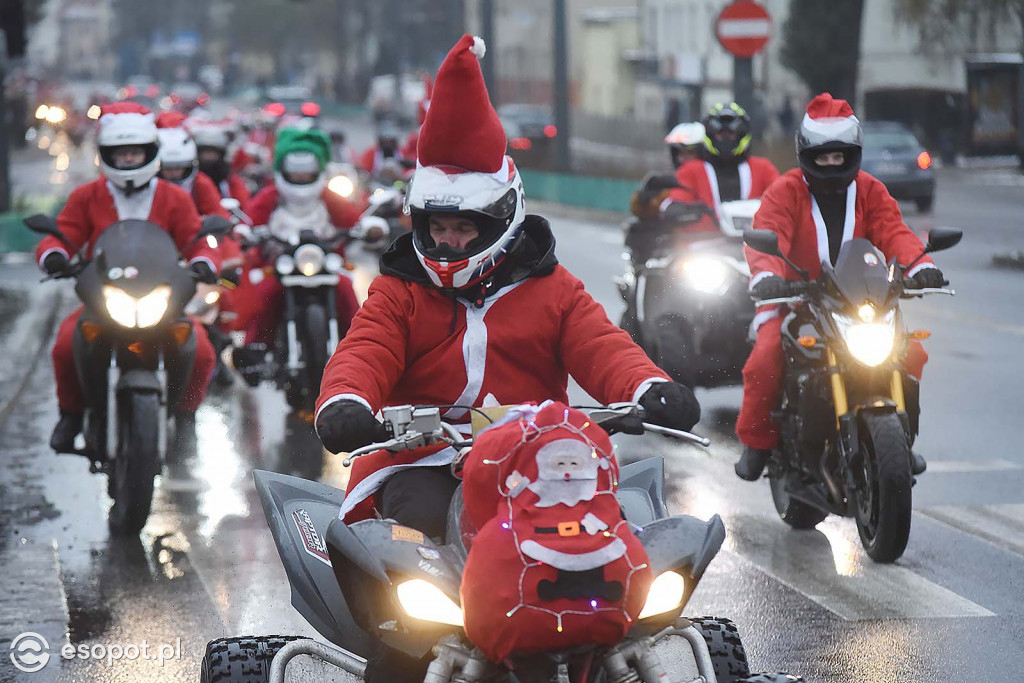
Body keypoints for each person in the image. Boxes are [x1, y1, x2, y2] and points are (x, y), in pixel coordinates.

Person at [314, 34, 701, 681]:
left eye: (463, 226)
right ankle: (406, 664)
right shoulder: (399, 291)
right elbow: (363, 351)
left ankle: (608, 653)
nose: (447, 238)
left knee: (621, 540)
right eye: (437, 225)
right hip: (426, 459)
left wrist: (650, 385)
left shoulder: (553, 290)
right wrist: (347, 404)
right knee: (404, 567)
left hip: (543, 461)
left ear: (501, 219)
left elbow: (602, 345)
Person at [734, 93, 945, 481]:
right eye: (822, 157)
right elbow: (767, 233)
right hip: (793, 296)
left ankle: (900, 441)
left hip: (860, 299)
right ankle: (758, 442)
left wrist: (922, 266)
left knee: (911, 352)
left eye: (839, 156)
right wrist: (766, 275)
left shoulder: (870, 190)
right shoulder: (785, 190)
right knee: (764, 356)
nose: (831, 164)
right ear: (806, 155)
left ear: (853, 154)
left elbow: (895, 232)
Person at [37, 102, 220, 453]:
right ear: (106, 155)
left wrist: (205, 260)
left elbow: (198, 238)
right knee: (64, 344)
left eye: (136, 153)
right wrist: (54, 255)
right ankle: (73, 415)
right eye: (120, 154)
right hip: (104, 301)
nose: (128, 160)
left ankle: (185, 418)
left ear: (151, 153)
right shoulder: (86, 196)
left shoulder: (174, 197)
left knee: (201, 350)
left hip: (162, 300)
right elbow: (62, 234)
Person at [233, 127, 373, 345]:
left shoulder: (328, 197)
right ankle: (255, 348)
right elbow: (250, 221)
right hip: (279, 266)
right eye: (295, 170)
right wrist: (245, 232)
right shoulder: (270, 196)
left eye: (307, 171)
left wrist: (369, 228)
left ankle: (359, 347)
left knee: (345, 292)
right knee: (264, 297)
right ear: (282, 168)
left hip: (325, 265)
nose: (301, 176)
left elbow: (354, 219)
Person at [664, 102, 780, 230]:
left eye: (731, 134)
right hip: (705, 243)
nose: (725, 138)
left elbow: (782, 198)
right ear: (710, 135)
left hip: (753, 243)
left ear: (741, 135)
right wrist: (677, 208)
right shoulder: (691, 170)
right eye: (720, 134)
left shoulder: (763, 168)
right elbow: (676, 198)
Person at [154, 111, 231, 220]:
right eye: (168, 168)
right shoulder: (147, 186)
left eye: (179, 167)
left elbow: (218, 214)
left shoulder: (200, 183)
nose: (174, 173)